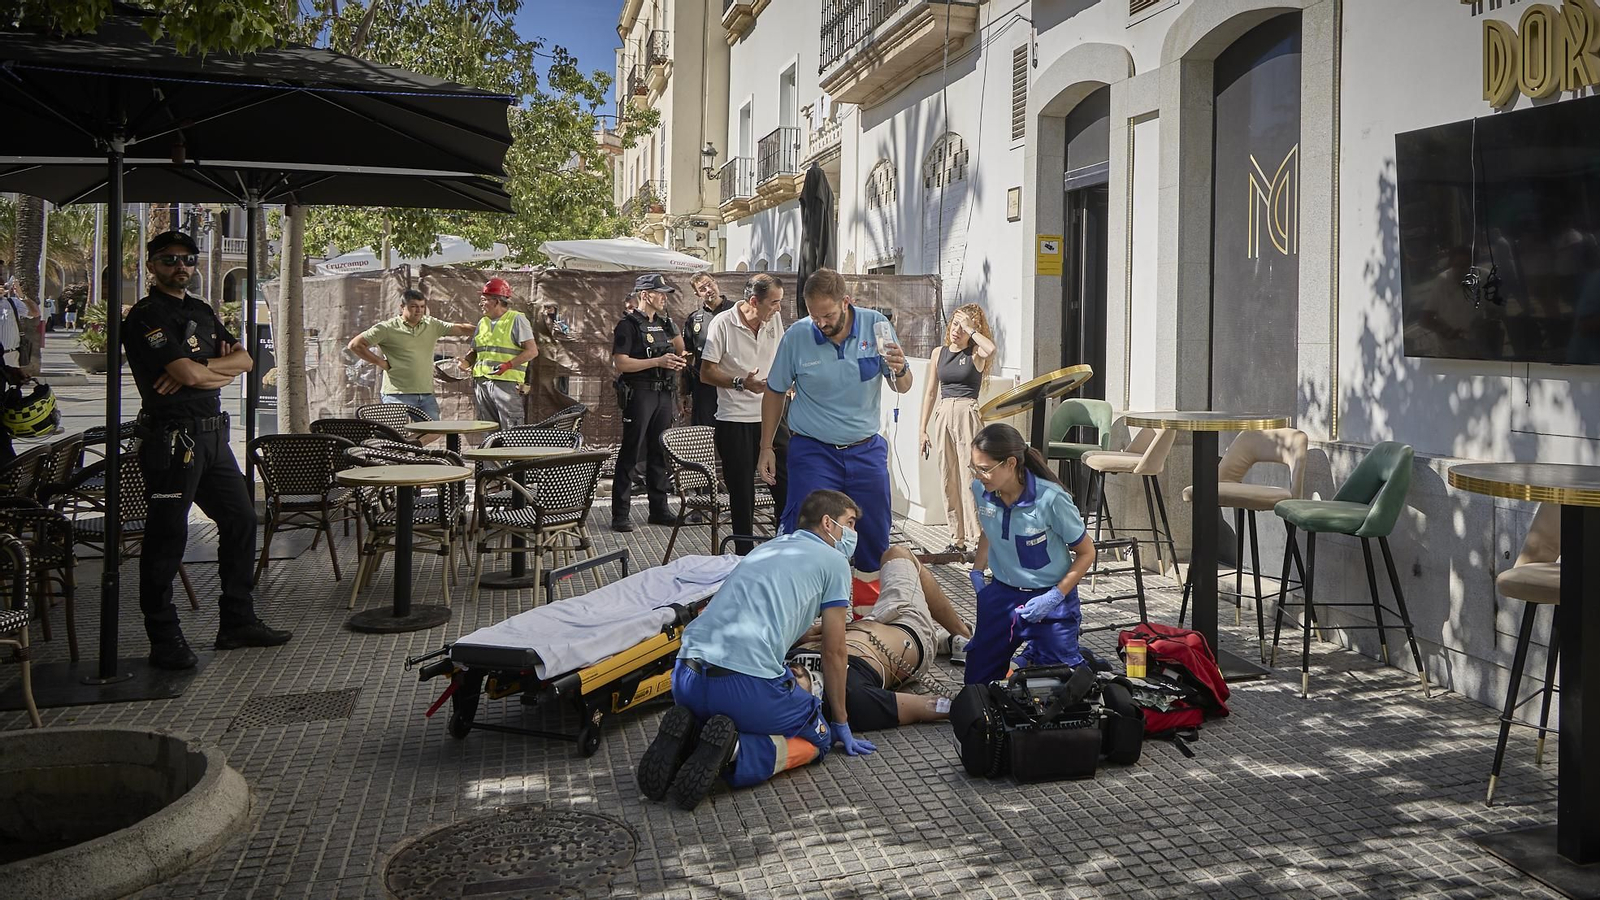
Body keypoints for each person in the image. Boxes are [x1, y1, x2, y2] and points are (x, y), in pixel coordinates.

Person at [636, 490, 876, 810]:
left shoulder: (770, 547)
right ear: (828, 524)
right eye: (850, 523)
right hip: (742, 689)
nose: (854, 534)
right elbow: (835, 652)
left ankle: (690, 737)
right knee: (818, 737)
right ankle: (735, 751)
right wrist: (841, 723)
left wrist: (803, 633)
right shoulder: (835, 561)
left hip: (686, 676)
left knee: (731, 706)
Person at [121, 231, 292, 671]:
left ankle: (237, 620)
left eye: (187, 259)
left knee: (240, 519)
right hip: (171, 440)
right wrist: (201, 372)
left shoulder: (199, 310)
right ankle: (164, 639)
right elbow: (187, 373)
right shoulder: (146, 316)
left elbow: (248, 362)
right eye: (169, 259)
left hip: (214, 438)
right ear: (152, 265)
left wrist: (200, 370)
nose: (180, 266)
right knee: (167, 538)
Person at [759, 268, 911, 574]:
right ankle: (806, 607)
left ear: (846, 301)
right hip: (813, 451)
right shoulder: (797, 336)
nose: (821, 323)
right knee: (808, 531)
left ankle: (868, 612)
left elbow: (902, 386)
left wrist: (901, 368)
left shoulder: (877, 326)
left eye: (827, 315)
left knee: (874, 530)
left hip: (865, 448)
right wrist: (766, 447)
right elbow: (774, 392)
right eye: (815, 316)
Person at [964, 423, 1096, 685]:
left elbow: (1086, 552)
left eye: (985, 469)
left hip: (1049, 599)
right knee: (977, 685)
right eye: (974, 467)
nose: (979, 475)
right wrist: (978, 572)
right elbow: (988, 530)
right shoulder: (982, 491)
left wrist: (1056, 596)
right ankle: (1030, 657)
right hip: (1001, 596)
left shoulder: (1051, 500)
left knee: (1060, 685)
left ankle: (1048, 656)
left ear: (1010, 463)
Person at [789, 545, 974, 730]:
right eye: (788, 688)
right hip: (908, 629)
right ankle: (964, 636)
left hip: (864, 623)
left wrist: (799, 637)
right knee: (898, 555)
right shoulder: (851, 700)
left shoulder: (778, 668)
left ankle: (945, 641)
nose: (787, 678)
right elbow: (928, 705)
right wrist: (977, 707)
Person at [700, 273, 785, 554]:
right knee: (743, 497)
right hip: (735, 420)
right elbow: (706, 373)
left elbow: (783, 359)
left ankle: (786, 551)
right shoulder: (722, 324)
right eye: (774, 302)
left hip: (773, 418)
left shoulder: (774, 321)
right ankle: (744, 559)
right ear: (753, 301)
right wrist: (741, 382)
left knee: (787, 486)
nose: (779, 308)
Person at [610, 273, 686, 532]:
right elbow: (621, 363)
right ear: (645, 295)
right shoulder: (628, 325)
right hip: (640, 392)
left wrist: (677, 360)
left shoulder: (665, 324)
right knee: (631, 451)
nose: (664, 297)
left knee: (658, 452)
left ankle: (659, 509)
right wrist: (657, 362)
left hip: (663, 392)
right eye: (660, 293)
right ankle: (620, 513)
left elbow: (678, 349)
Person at [918, 304, 996, 555]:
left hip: (967, 412)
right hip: (943, 412)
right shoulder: (938, 353)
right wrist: (922, 428)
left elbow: (991, 348)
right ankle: (956, 538)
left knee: (971, 477)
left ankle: (977, 539)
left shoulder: (976, 354)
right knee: (947, 476)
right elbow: (930, 392)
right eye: (954, 325)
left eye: (962, 328)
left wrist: (971, 330)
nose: (956, 331)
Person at [346, 288, 473, 421]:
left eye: (422, 306)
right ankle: (398, 443)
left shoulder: (432, 325)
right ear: (402, 307)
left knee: (434, 430)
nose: (419, 310)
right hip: (396, 394)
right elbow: (355, 345)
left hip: (425, 393)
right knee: (396, 433)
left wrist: (488, 327)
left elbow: (461, 328)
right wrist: (380, 363)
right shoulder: (387, 328)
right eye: (413, 306)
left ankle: (410, 443)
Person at [466, 276, 539, 427]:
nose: (481, 304)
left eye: (484, 299)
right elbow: (475, 350)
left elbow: (532, 351)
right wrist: (466, 362)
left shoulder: (516, 319)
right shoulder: (483, 322)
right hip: (482, 383)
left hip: (506, 384)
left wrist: (507, 365)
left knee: (511, 430)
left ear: (497, 301)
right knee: (488, 429)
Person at [681, 273, 733, 427]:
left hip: (733, 382)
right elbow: (688, 358)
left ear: (716, 283)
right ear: (697, 294)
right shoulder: (695, 319)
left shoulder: (737, 310)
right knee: (704, 432)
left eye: (709, 284)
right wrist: (684, 391)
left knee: (732, 431)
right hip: (704, 386)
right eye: (702, 288)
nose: (708, 290)